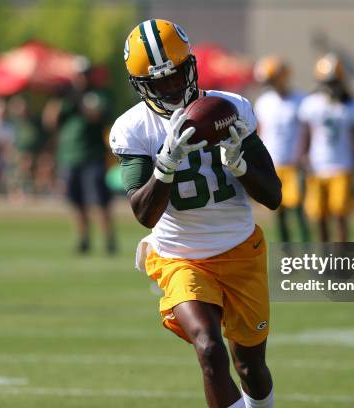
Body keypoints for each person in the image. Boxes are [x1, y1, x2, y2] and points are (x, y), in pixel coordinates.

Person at [110, 19, 280, 408]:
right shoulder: (134, 129)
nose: (171, 88)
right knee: (208, 348)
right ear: (141, 86)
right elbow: (143, 213)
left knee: (251, 366)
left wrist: (241, 165)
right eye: (160, 82)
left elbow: (272, 196)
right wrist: (164, 166)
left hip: (241, 249)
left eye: (177, 76)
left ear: (191, 66)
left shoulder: (230, 108)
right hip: (180, 255)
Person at [44, 69, 116, 254]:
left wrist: (79, 100)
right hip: (69, 157)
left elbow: (97, 115)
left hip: (92, 156)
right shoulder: (64, 99)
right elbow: (49, 121)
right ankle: (83, 240)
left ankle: (109, 240)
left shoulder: (96, 94)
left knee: (99, 201)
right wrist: (60, 98)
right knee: (75, 202)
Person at [298, 53, 354, 242]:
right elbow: (306, 135)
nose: (330, 86)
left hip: (343, 166)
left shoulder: (352, 105)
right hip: (317, 166)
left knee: (340, 216)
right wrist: (302, 158)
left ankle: (342, 259)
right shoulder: (311, 104)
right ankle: (325, 259)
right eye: (327, 82)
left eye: (334, 81)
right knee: (319, 217)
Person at [253, 56, 310, 243]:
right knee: (279, 211)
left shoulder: (300, 99)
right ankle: (288, 252)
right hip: (273, 163)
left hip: (293, 163)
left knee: (299, 210)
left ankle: (307, 250)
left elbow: (306, 131)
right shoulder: (263, 102)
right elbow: (260, 132)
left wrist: (303, 156)